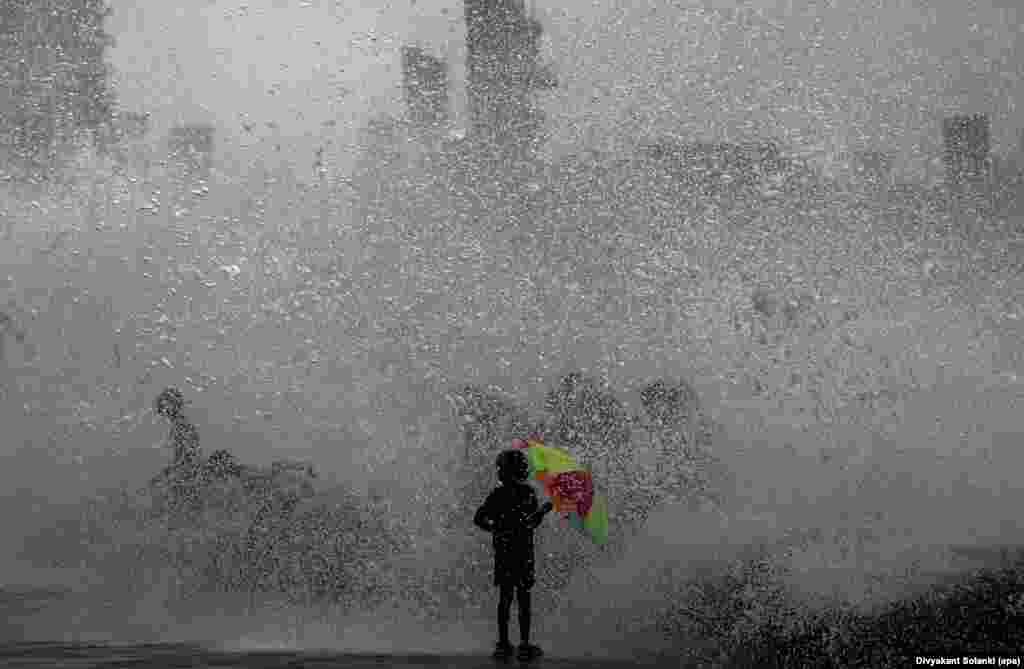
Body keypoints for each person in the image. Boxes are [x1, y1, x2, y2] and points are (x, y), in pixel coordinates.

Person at [474, 448, 554, 661]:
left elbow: (479, 518)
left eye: (500, 468)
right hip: (523, 553)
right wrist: (541, 513)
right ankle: (524, 644)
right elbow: (532, 523)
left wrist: (497, 529)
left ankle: (504, 643)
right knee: (523, 598)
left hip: (505, 552)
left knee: (506, 597)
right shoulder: (526, 493)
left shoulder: (498, 494)